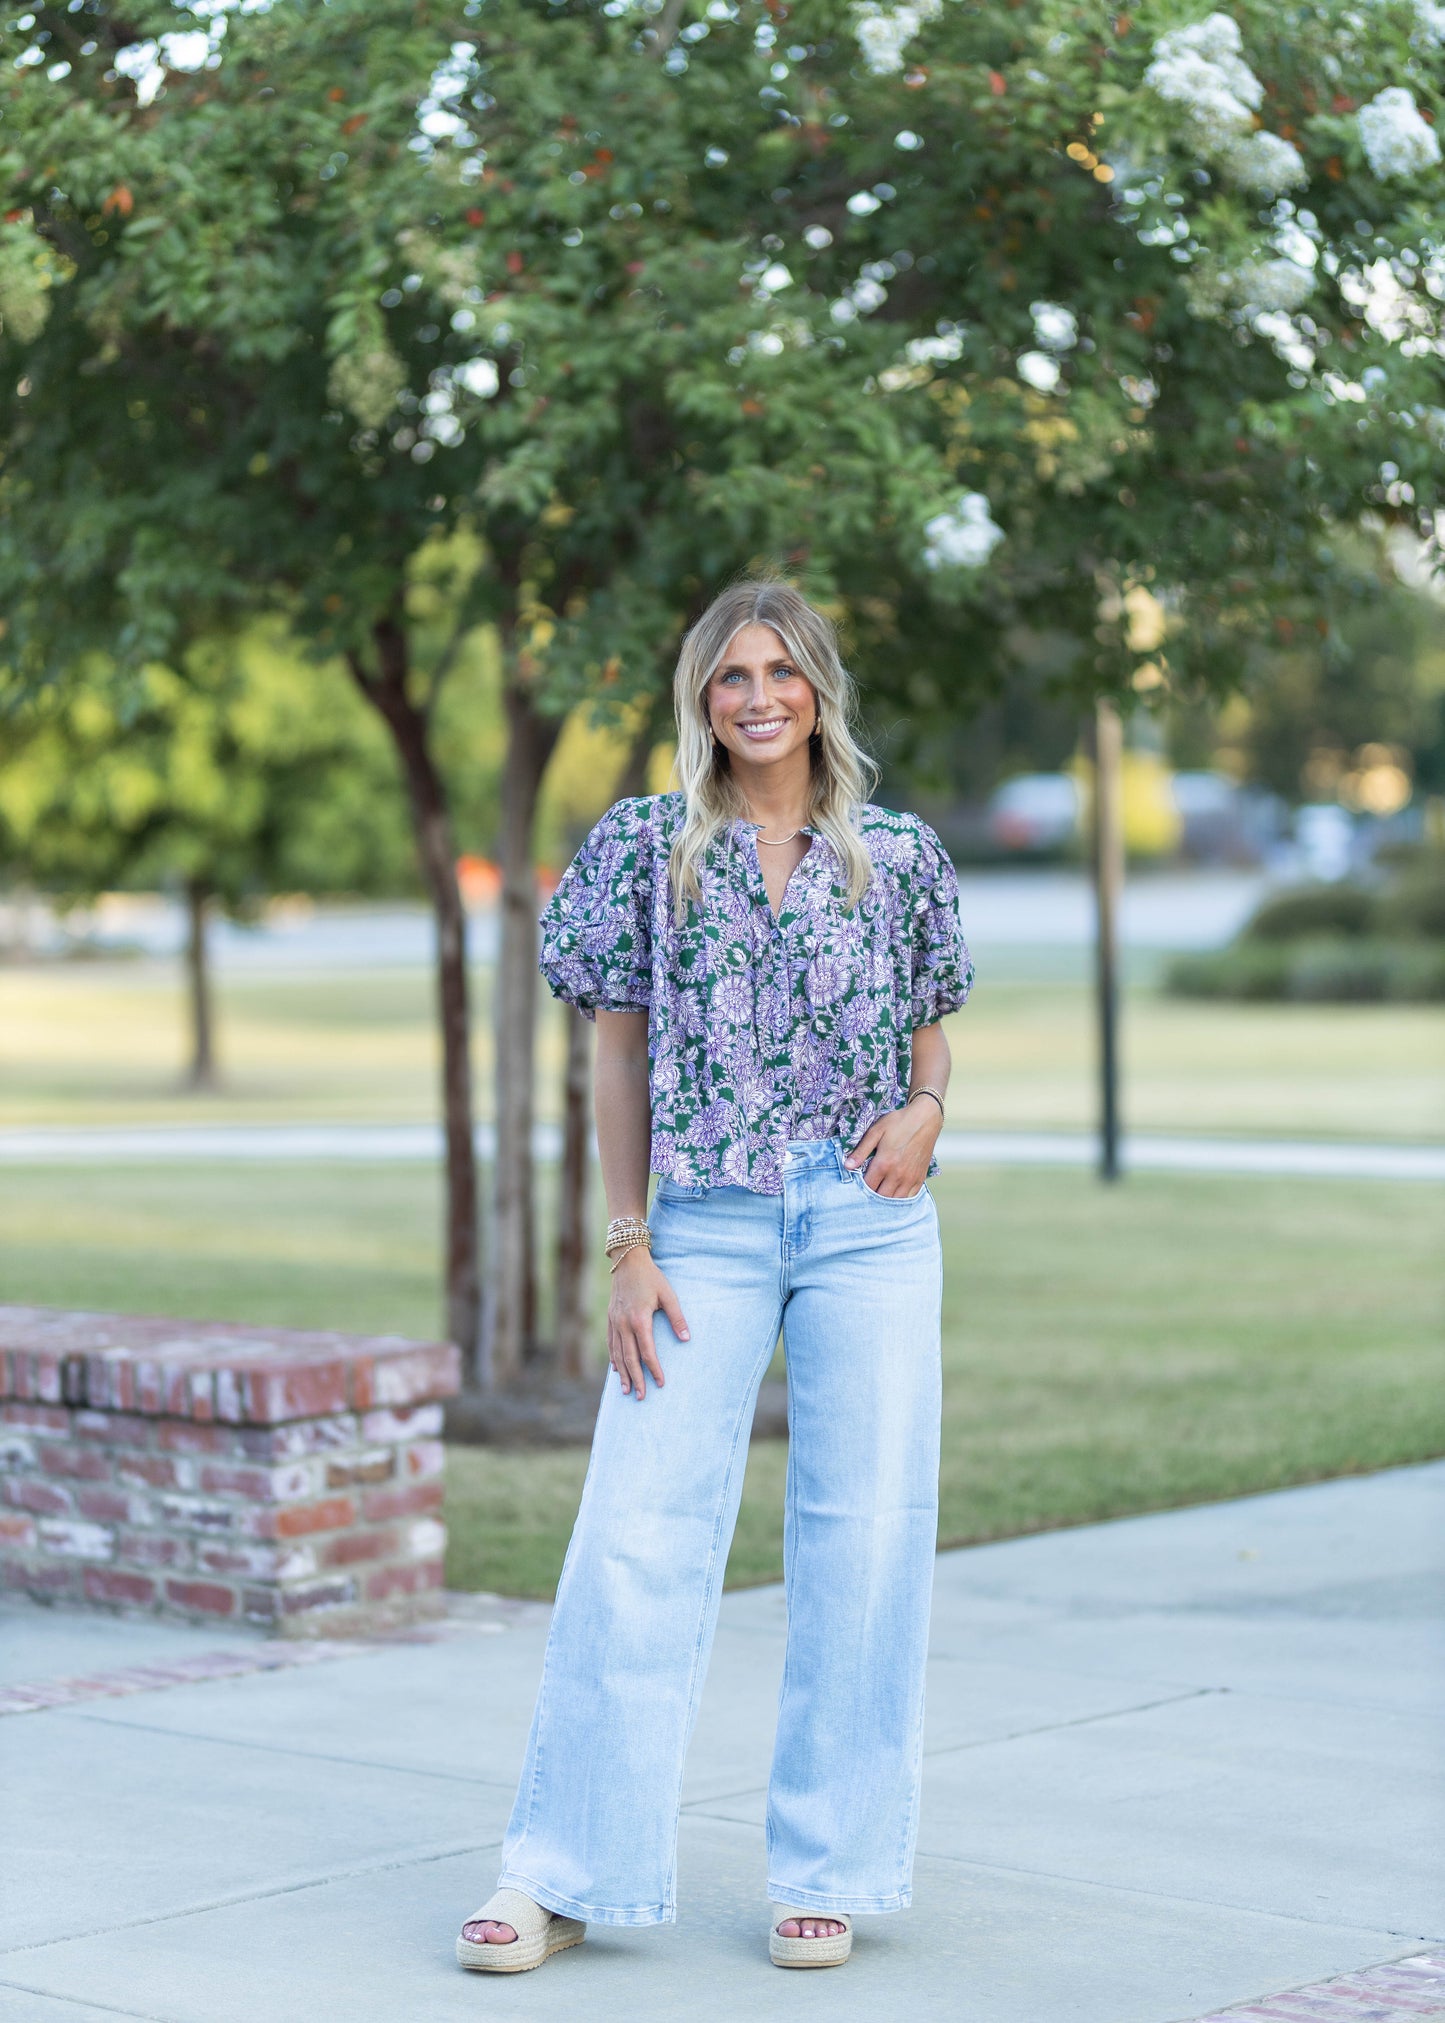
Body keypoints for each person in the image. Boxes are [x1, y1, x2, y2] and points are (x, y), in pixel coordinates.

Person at [457, 579, 973, 1975]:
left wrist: (928, 1115)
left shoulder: (900, 858)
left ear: (818, 690)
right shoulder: (642, 851)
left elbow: (929, 1047)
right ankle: (560, 1872)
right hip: (706, 1223)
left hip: (868, 1223)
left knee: (861, 1537)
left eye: (780, 671)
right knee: (636, 1533)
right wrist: (627, 1247)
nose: (755, 697)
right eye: (729, 675)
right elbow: (613, 1054)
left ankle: (826, 1870)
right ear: (700, 697)